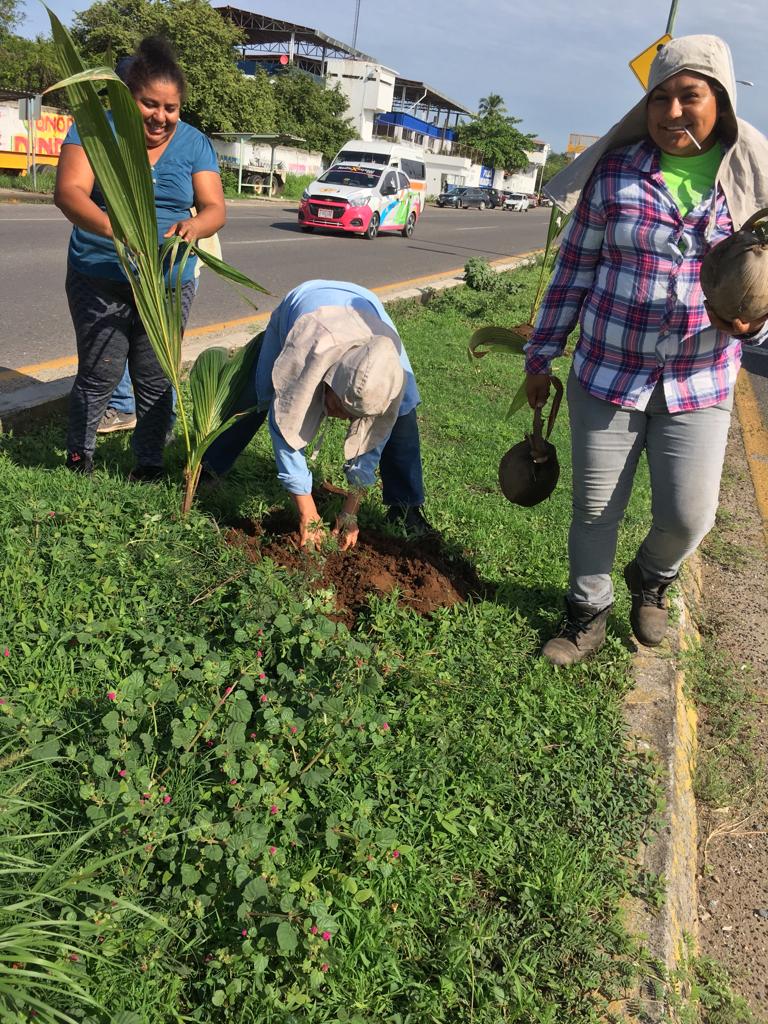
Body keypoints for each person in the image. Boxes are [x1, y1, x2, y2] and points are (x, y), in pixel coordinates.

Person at [523, 35, 768, 666]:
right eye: (660, 98)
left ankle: (652, 576)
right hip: (608, 373)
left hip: (701, 381)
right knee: (595, 508)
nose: (673, 111)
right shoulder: (616, 173)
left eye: (690, 96)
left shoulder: (750, 185)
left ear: (720, 103)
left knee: (690, 517)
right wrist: (541, 356)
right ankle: (587, 612)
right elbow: (574, 271)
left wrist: (753, 330)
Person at [54, 35, 226, 478]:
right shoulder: (95, 129)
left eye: (171, 108)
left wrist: (194, 227)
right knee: (99, 372)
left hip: (166, 282)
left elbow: (214, 208)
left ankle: (149, 464)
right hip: (100, 274)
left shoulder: (195, 143)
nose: (160, 117)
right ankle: (79, 459)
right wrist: (115, 229)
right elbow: (69, 192)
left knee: (155, 377)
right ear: (127, 96)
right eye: (149, 104)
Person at [202, 280, 431, 550]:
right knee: (260, 394)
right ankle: (208, 468)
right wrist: (307, 511)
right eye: (340, 407)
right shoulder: (306, 351)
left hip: (369, 314)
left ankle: (406, 508)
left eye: (351, 417)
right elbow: (285, 426)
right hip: (307, 306)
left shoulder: (390, 374)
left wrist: (350, 511)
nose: (342, 419)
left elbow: (372, 441)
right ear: (328, 381)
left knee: (403, 415)